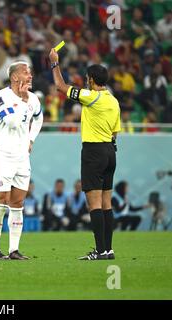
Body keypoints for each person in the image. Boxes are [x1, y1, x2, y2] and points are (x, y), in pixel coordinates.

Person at [49, 48, 121, 260]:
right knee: (107, 203)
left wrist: (55, 63)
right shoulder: (113, 101)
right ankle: (108, 249)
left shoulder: (91, 96)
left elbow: (61, 87)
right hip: (110, 151)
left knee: (94, 204)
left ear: (90, 80)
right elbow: (115, 131)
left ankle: (99, 251)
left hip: (93, 151)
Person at [0, 61, 43, 260]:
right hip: (2, 155)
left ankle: (14, 250)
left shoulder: (34, 99)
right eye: (25, 72)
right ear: (14, 77)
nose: (30, 75)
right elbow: (12, 122)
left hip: (22, 157)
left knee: (18, 202)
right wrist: (21, 99)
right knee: (1, 201)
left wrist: (30, 139)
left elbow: (38, 118)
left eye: (30, 72)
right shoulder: (0, 97)